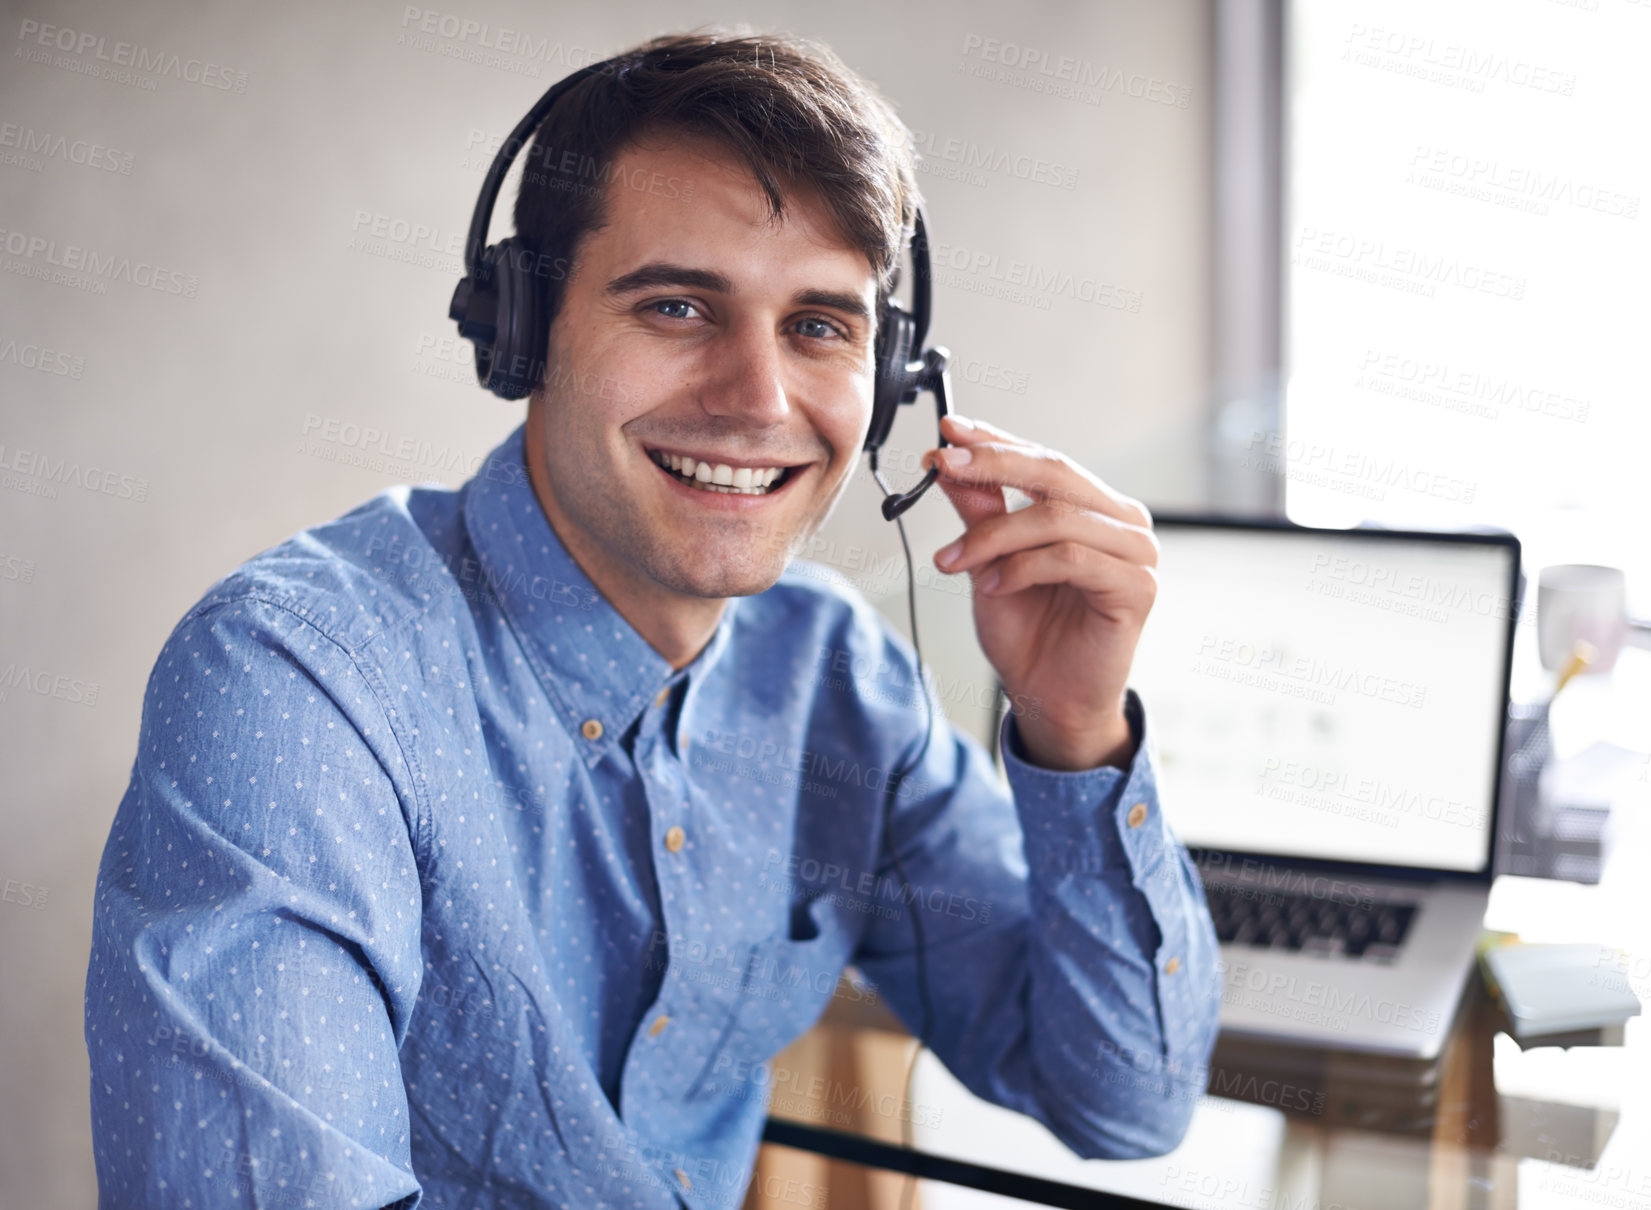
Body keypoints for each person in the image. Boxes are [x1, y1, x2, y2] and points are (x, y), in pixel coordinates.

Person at [84, 30, 1219, 1210]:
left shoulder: (830, 677)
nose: (759, 399)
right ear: (521, 330)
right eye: (678, 306)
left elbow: (1124, 1102)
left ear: (886, 378)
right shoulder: (297, 681)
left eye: (821, 325)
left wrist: (1073, 724)